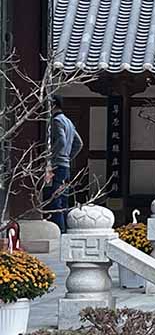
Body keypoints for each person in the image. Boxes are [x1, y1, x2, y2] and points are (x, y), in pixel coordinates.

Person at [46, 95, 83, 233]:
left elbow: (61, 141)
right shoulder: (69, 122)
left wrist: (51, 156)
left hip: (58, 165)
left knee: (55, 200)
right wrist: (68, 156)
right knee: (64, 200)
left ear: (53, 105)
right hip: (66, 165)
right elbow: (79, 143)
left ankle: (60, 231)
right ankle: (66, 230)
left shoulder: (56, 121)